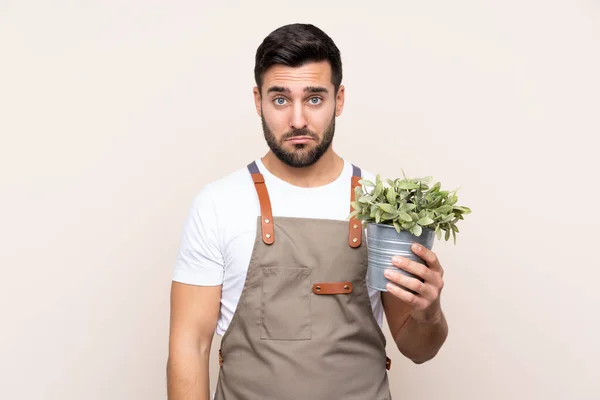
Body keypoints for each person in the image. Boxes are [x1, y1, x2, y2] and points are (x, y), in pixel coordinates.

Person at [166, 23, 448, 400]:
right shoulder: (218, 203)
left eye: (314, 98)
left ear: (339, 99)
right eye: (280, 99)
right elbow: (190, 347)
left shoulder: (385, 205)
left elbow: (419, 349)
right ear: (258, 100)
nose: (298, 120)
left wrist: (430, 312)